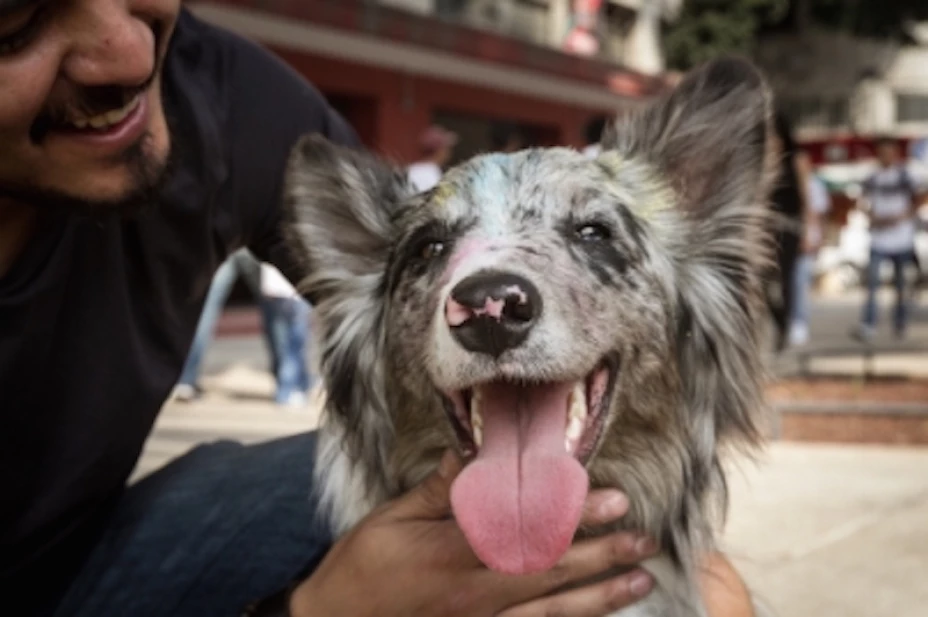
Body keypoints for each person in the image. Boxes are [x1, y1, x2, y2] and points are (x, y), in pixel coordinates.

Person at [0, 2, 755, 615]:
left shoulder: (214, 92)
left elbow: (389, 246)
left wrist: (676, 558)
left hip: (80, 547)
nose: (130, 54)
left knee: (322, 463)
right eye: (15, 24)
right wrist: (318, 609)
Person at [173, 247, 272, 402]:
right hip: (250, 237)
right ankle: (289, 385)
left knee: (203, 308)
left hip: (227, 239)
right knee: (274, 307)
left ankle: (185, 379)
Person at [851, 137, 919, 341]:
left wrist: (899, 217)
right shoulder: (872, 177)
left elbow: (917, 202)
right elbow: (862, 203)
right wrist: (874, 218)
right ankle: (869, 324)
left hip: (901, 239)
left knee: (900, 285)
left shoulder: (905, 175)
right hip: (879, 238)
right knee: (872, 285)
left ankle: (900, 323)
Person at [766, 111, 812, 352]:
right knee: (762, 283)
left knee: (787, 280)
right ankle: (781, 320)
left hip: (791, 226)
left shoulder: (797, 160)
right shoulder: (762, 162)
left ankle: (788, 326)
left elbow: (807, 198)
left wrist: (809, 231)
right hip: (766, 229)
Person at [259, 262, 313, 407]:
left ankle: (302, 384)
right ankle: (287, 390)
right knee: (294, 345)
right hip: (293, 290)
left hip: (274, 289)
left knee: (285, 343)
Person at [788, 170, 831, 347]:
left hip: (806, 244)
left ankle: (799, 323)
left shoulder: (815, 185)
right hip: (787, 242)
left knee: (800, 284)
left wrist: (816, 238)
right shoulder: (787, 182)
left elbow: (819, 215)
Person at [407, 124, 458, 192]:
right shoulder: (430, 174)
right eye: (446, 148)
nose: (449, 152)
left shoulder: (412, 168)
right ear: (439, 150)